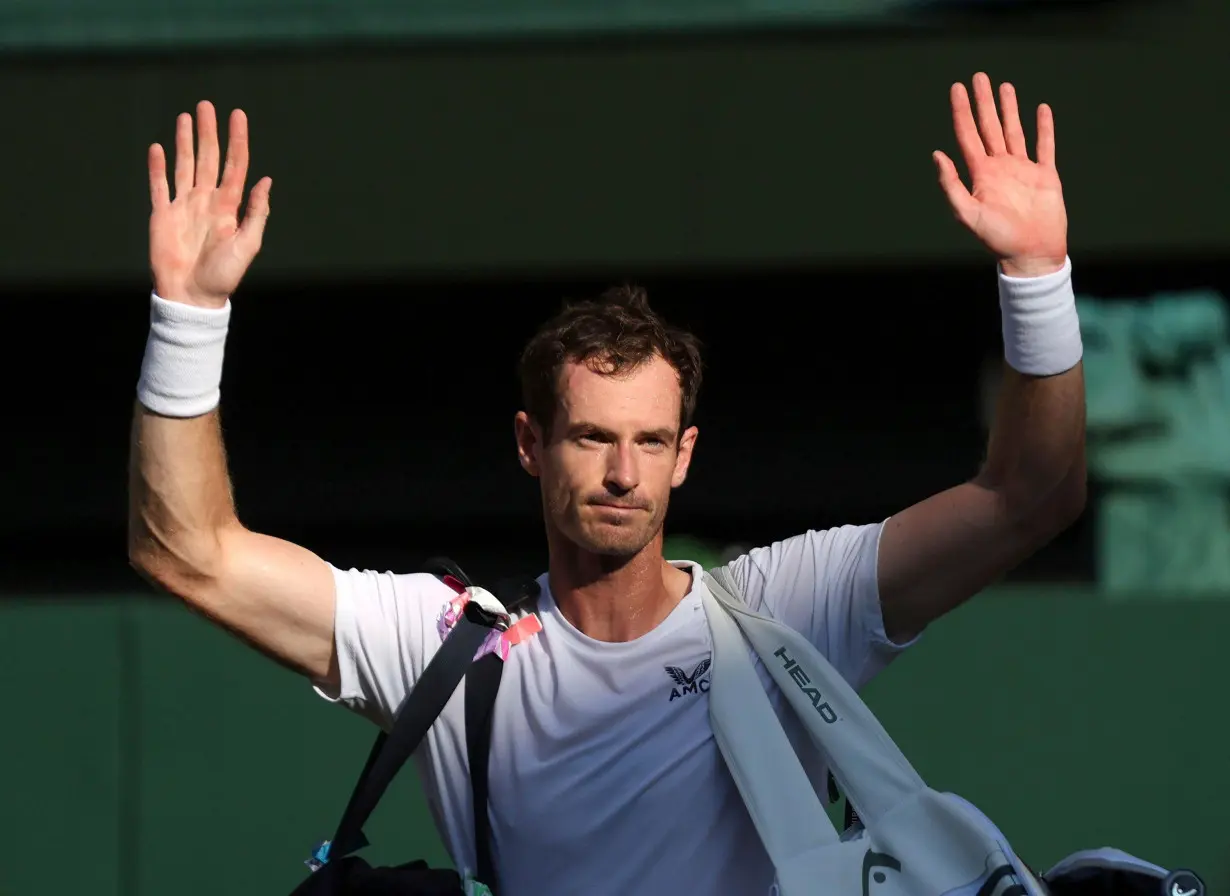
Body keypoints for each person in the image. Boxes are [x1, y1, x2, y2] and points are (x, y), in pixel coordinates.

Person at [128, 71, 1086, 896]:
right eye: (590, 437)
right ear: (529, 444)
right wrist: (190, 311)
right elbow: (190, 554)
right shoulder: (450, 646)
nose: (624, 473)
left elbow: (1029, 497)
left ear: (685, 454)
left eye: (650, 441)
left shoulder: (788, 606)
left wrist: (1037, 273)